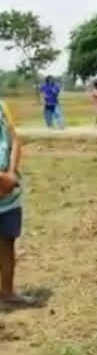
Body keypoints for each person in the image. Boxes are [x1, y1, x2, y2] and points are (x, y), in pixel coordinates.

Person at [0, 100, 26, 304]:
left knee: (7, 243)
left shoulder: (2, 106)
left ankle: (7, 291)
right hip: (5, 184)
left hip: (8, 196)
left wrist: (10, 173)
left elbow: (15, 139)